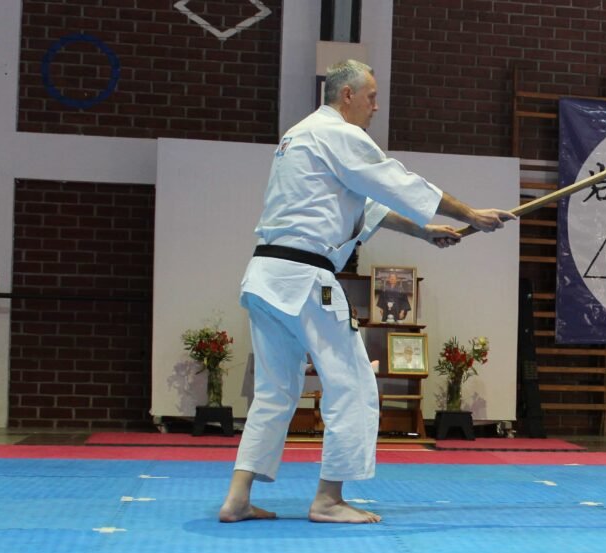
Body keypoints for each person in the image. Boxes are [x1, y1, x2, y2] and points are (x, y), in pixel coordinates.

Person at [219, 60, 515, 524]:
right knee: (353, 384)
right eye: (372, 96)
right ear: (347, 95)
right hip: (304, 279)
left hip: (266, 276)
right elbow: (396, 181)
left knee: (275, 391)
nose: (377, 106)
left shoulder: (301, 136)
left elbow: (365, 205)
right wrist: (470, 212)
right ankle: (329, 499)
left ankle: (237, 497)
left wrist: (425, 231)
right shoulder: (339, 134)